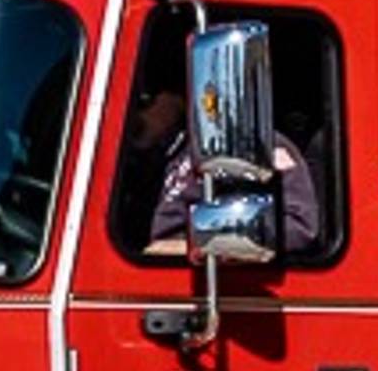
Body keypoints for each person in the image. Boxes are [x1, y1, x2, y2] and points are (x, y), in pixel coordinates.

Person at [129, 89, 325, 257]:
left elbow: (299, 226)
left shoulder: (255, 145)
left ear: (177, 97)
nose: (134, 115)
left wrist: (196, 243)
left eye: (145, 100)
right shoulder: (140, 164)